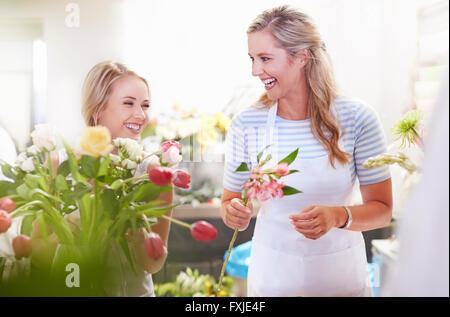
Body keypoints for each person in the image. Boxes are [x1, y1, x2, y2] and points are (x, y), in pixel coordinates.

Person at [221, 5, 392, 297]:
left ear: (302, 56)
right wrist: (233, 212)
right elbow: (230, 200)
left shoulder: (357, 118)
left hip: (339, 277)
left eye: (265, 58)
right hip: (272, 276)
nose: (255, 71)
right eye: (252, 59)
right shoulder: (245, 123)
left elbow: (383, 210)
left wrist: (338, 216)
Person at [33, 61, 173, 296]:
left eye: (145, 105)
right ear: (97, 109)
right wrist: (70, 229)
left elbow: (154, 265)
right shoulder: (58, 167)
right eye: (129, 103)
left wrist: (141, 239)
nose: (140, 114)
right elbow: (36, 252)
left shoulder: (155, 174)